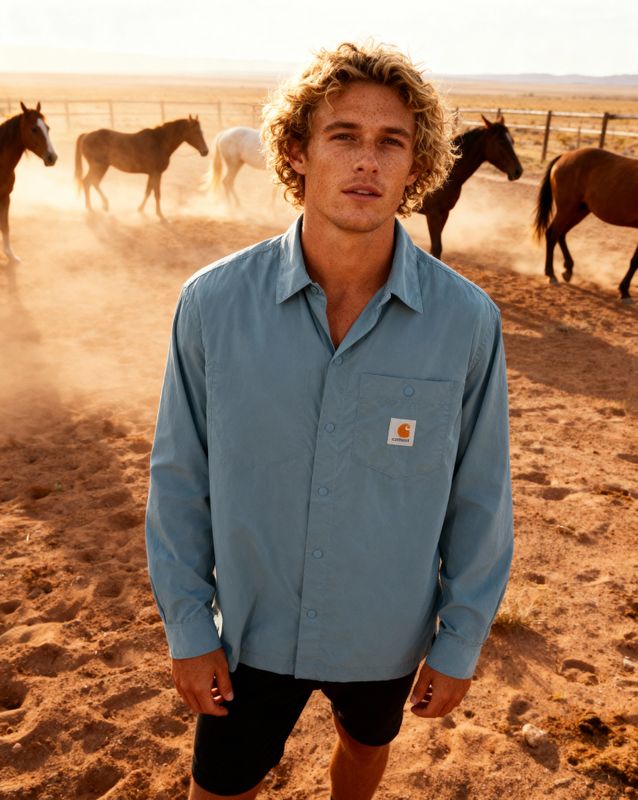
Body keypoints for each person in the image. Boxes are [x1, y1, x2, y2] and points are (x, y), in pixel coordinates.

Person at [146, 41, 514, 800]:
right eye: (344, 136)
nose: (367, 163)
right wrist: (188, 629)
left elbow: (481, 494)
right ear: (296, 152)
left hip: (385, 635)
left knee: (364, 752)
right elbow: (178, 480)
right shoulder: (212, 305)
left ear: (417, 166)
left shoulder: (466, 320)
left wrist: (460, 639)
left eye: (393, 143)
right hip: (247, 631)